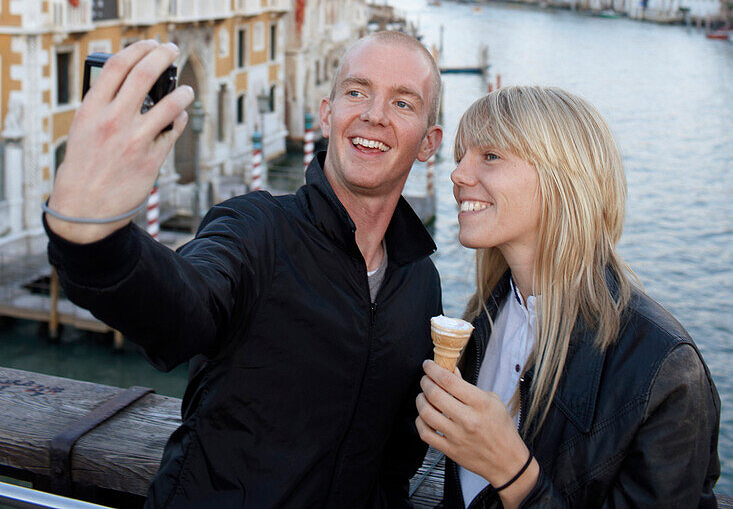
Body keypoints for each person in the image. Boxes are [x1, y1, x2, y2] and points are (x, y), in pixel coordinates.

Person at [45, 31, 443, 507]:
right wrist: (93, 237)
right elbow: (183, 309)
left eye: (403, 104)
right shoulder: (254, 230)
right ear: (326, 114)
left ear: (428, 142)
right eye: (357, 92)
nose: (373, 114)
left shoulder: (421, 282)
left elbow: (398, 456)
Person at [416, 86, 721, 509]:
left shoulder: (663, 369)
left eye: (490, 156)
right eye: (461, 155)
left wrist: (514, 474)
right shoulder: (484, 318)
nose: (458, 174)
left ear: (564, 179)